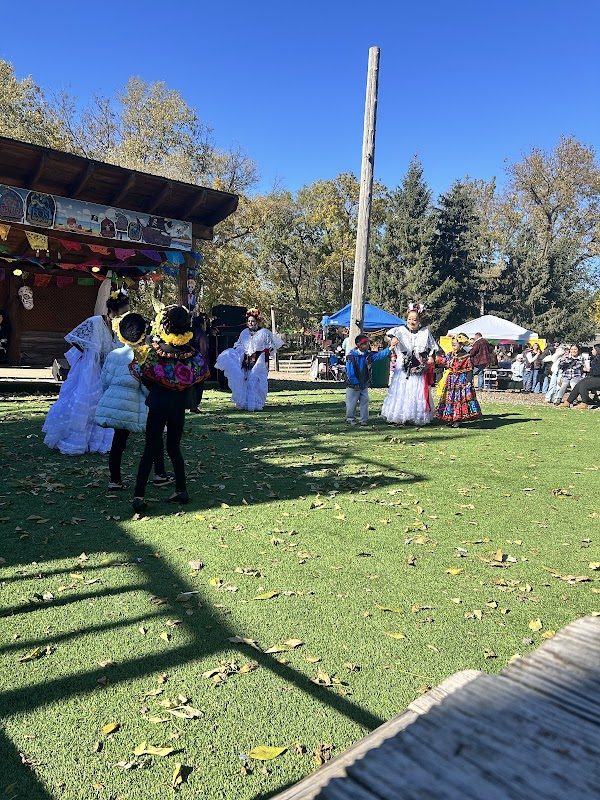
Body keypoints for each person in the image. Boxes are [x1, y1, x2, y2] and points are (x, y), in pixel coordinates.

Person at [130, 306, 209, 512]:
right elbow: (198, 380)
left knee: (150, 448)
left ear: (164, 324)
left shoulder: (154, 352)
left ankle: (139, 495)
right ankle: (181, 490)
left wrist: (159, 386)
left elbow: (144, 375)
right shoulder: (193, 355)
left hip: (157, 403)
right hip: (179, 406)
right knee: (174, 447)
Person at [42, 289, 130, 455]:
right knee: (85, 404)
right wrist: (90, 356)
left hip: (106, 370)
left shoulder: (119, 327)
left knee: (103, 406)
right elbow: (76, 340)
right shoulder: (95, 322)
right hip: (89, 371)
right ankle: (76, 440)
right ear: (115, 308)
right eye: (124, 308)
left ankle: (99, 440)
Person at [95, 313, 171, 490]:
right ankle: (159, 473)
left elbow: (105, 380)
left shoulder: (113, 355)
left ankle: (114, 479)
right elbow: (147, 384)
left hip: (117, 402)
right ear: (144, 333)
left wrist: (111, 395)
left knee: (118, 441)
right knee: (154, 437)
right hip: (140, 404)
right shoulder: (145, 354)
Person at [215, 308, 283, 411]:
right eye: (249, 321)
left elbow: (272, 344)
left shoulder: (264, 332)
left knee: (257, 381)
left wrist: (267, 350)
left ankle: (257, 403)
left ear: (257, 322)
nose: (250, 323)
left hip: (260, 360)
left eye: (253, 321)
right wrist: (238, 351)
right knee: (246, 380)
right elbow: (238, 344)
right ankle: (245, 402)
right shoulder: (244, 333)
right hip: (247, 360)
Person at [381, 304, 439, 426]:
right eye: (410, 319)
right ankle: (400, 416)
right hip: (402, 367)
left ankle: (414, 416)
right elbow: (388, 336)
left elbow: (432, 347)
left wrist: (429, 357)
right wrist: (392, 340)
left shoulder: (425, 332)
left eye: (415, 319)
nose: (412, 322)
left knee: (415, 391)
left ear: (419, 320)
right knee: (402, 390)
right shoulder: (399, 330)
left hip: (418, 367)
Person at [345, 333, 396, 425]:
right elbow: (350, 372)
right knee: (351, 403)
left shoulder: (368, 355)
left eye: (368, 343)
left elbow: (379, 356)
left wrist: (390, 348)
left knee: (364, 402)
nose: (368, 345)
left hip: (364, 383)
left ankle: (363, 420)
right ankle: (350, 419)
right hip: (353, 385)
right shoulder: (351, 357)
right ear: (359, 345)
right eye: (365, 343)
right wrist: (355, 383)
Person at [435, 335, 482, 427]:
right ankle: (451, 418)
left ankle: (458, 419)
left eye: (455, 345)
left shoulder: (466, 356)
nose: (453, 347)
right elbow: (445, 363)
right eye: (452, 345)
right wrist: (437, 360)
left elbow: (469, 369)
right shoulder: (450, 354)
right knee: (450, 399)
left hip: (461, 380)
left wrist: (468, 381)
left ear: (461, 345)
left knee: (459, 399)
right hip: (451, 380)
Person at [565, 344, 600, 409]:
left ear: (597, 350)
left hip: (598, 378)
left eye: (593, 349)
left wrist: (589, 370)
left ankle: (584, 403)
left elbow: (597, 371)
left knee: (584, 384)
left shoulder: (598, 359)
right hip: (595, 377)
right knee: (581, 382)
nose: (592, 351)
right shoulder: (596, 358)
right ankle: (568, 402)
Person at [189, 313, 210, 413]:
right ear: (202, 324)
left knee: (191, 384)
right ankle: (194, 406)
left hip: (188, 361)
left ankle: (191, 404)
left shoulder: (189, 333)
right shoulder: (201, 334)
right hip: (198, 362)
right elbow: (204, 348)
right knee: (198, 384)